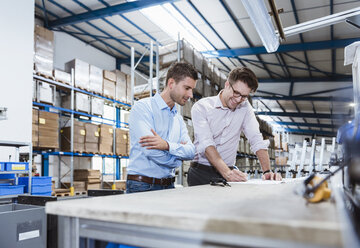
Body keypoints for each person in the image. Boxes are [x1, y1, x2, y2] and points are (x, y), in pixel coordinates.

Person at [188, 67, 282, 186]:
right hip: (201, 173)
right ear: (227, 84)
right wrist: (227, 173)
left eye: (243, 96)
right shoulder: (202, 107)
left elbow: (256, 139)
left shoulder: (245, 107)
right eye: (236, 93)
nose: (238, 99)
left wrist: (267, 171)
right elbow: (207, 144)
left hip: (229, 173)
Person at [126, 62, 198, 193]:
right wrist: (177, 161)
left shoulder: (178, 119)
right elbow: (151, 151)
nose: (191, 95)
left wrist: (167, 146)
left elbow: (191, 151)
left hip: (169, 185)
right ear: (171, 84)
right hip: (142, 185)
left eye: (191, 89)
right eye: (187, 88)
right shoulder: (143, 108)